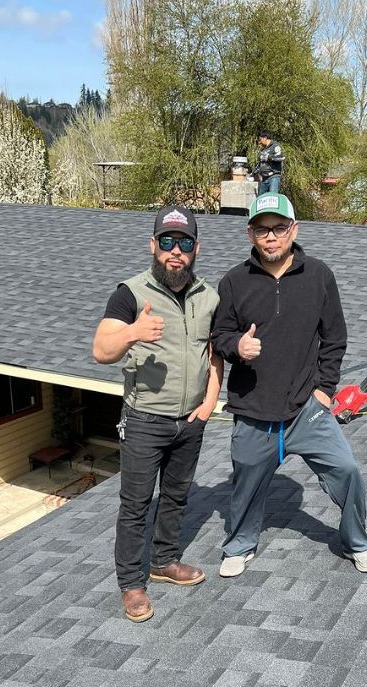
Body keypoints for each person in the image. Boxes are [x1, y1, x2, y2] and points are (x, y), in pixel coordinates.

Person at [211, 193, 367, 578]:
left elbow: (334, 337)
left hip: (308, 409)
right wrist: (237, 346)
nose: (270, 237)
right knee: (245, 486)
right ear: (250, 233)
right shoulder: (234, 282)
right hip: (254, 412)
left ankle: (357, 540)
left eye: (278, 228)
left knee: (348, 471)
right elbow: (219, 335)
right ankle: (240, 545)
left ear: (293, 229)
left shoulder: (319, 276)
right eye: (261, 229)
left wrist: (324, 390)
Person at [93, 206, 222, 621]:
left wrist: (208, 403)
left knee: (176, 496)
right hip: (145, 420)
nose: (175, 252)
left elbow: (215, 355)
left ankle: (163, 561)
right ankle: (131, 583)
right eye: (167, 242)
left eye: (184, 243)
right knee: (134, 505)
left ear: (196, 248)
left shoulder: (210, 296)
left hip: (190, 420)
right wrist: (132, 332)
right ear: (153, 246)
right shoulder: (130, 294)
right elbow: (100, 351)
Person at [254, 130, 285, 194]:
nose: (260, 142)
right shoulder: (262, 150)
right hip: (264, 178)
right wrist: (255, 171)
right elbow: (260, 163)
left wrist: (269, 157)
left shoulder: (275, 146)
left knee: (273, 198)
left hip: (273, 177)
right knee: (261, 199)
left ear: (265, 138)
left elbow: (281, 157)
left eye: (260, 139)